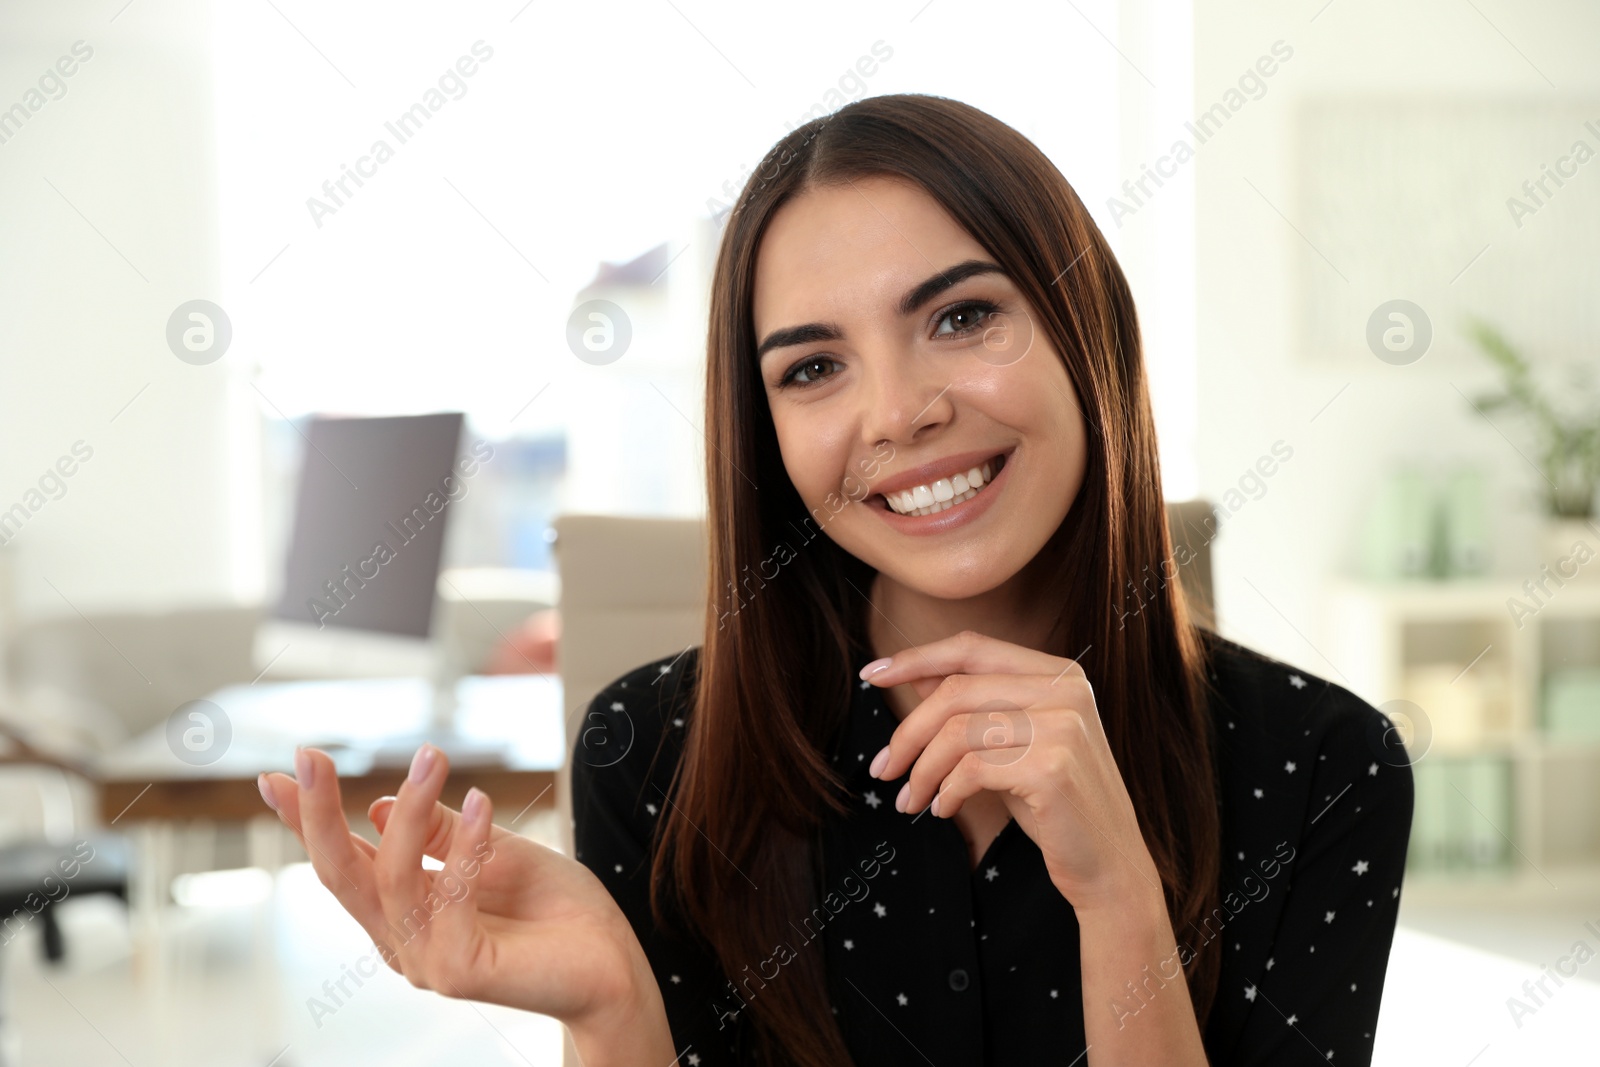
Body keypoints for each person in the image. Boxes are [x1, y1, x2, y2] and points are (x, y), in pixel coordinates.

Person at [257, 93, 1413, 1066]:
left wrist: (1117, 897)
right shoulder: (650, 748)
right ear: (763, 430)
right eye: (813, 366)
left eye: (961, 315)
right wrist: (611, 1010)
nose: (899, 411)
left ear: (1084, 329)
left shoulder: (1320, 763)